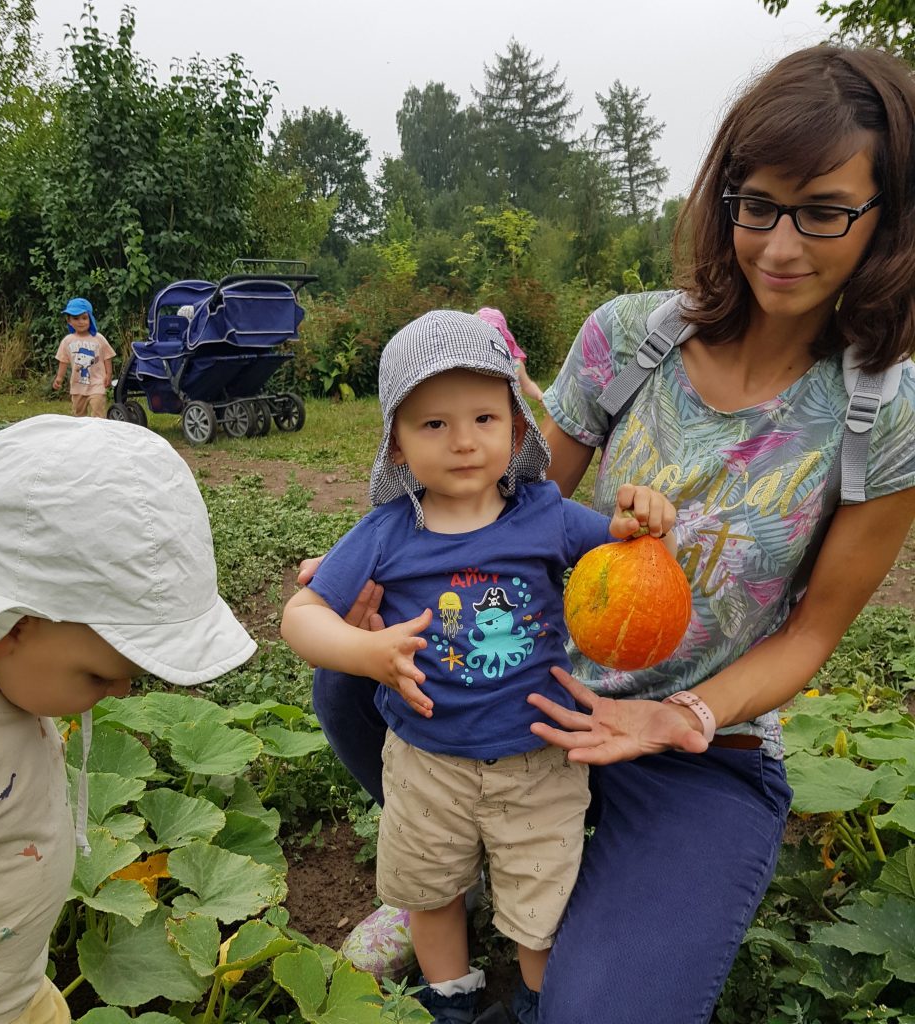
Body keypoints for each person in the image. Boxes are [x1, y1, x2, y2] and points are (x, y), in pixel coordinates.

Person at [301, 46, 915, 1024]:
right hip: (532, 694)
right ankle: (444, 874)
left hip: (693, 748)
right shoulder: (628, 339)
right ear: (724, 201)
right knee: (350, 673)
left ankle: (554, 883)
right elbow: (500, 504)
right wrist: (380, 576)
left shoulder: (883, 413)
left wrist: (679, 717)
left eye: (824, 210)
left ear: (886, 216)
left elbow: (808, 636)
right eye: (756, 203)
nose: (782, 243)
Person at [282, 310, 677, 1024]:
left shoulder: (548, 515)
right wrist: (365, 652)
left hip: (538, 764)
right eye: (433, 425)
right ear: (396, 446)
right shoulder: (384, 532)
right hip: (427, 762)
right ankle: (452, 998)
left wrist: (640, 521)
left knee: (541, 901)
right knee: (429, 889)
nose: (463, 441)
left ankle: (536, 1002)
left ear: (518, 431)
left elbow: (621, 554)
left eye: (484, 419)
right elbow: (300, 616)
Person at [0, 415, 257, 1024]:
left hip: (15, 991)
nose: (117, 691)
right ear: (9, 623)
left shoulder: (11, 675)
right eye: (99, 675)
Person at [52, 298, 116, 417]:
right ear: (69, 321)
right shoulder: (67, 341)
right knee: (78, 415)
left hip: (97, 383)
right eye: (76, 318)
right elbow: (63, 360)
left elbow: (107, 356)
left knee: (98, 413)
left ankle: (98, 432)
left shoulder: (98, 338)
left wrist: (108, 374)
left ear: (90, 319)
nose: (80, 322)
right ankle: (81, 434)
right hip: (77, 386)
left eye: (84, 318)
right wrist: (59, 378)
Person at [475, 307, 544, 402]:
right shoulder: (474, 363)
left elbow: (527, 384)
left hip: (512, 411)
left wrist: (539, 395)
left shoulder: (515, 363)